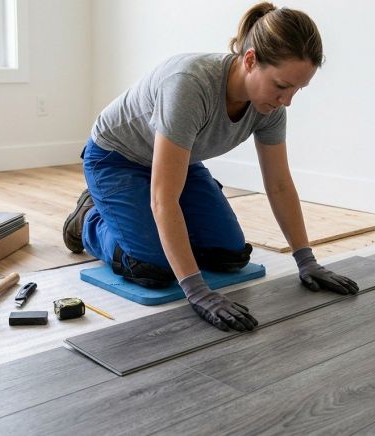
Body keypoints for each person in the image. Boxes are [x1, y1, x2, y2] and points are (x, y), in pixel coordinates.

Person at [63, 2, 359, 332]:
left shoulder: (270, 107)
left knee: (229, 256)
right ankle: (88, 220)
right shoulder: (189, 86)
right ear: (250, 61)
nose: (287, 100)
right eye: (281, 85)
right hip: (117, 159)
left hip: (179, 162)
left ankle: (142, 218)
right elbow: (163, 198)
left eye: (297, 89)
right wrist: (198, 293)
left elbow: (278, 184)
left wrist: (306, 260)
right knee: (152, 267)